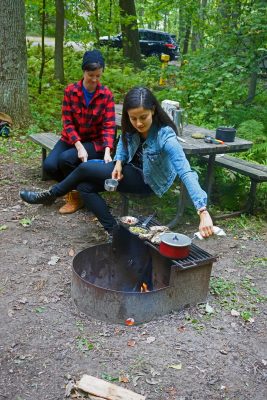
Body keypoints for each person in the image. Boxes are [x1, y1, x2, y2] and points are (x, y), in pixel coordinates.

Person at [20, 86, 214, 238]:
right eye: (133, 118)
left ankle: (51, 194)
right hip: (129, 170)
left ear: (153, 110)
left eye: (143, 117)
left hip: (149, 181)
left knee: (86, 167)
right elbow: (123, 140)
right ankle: (115, 232)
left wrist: (202, 210)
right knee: (84, 186)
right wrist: (119, 163)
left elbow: (186, 171)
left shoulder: (166, 136)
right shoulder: (131, 125)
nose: (138, 123)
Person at [43, 49, 116, 214]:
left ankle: (76, 196)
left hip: (94, 142)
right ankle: (74, 186)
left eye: (98, 75)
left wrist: (107, 151)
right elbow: (67, 122)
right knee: (49, 166)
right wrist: (78, 146)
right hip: (72, 139)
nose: (95, 79)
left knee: (66, 160)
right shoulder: (71, 91)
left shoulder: (106, 95)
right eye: (91, 75)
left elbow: (109, 125)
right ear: (84, 71)